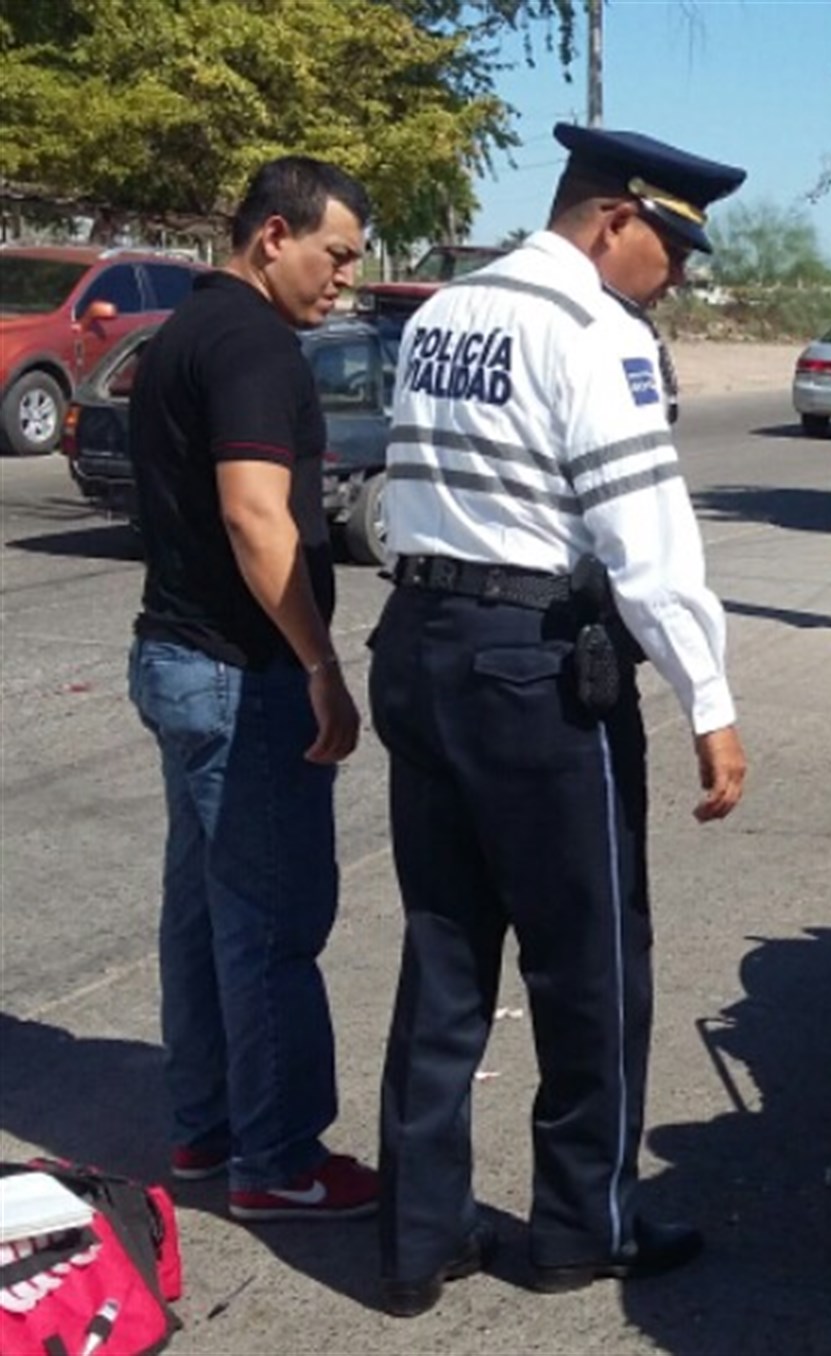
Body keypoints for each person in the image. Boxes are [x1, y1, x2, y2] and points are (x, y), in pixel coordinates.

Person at [370, 123, 749, 1317]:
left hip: (419, 648)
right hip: (534, 673)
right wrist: (712, 702)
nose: (676, 277)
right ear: (611, 221)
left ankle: (418, 1233)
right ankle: (587, 1225)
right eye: (671, 249)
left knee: (444, 948)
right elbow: (646, 543)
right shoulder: (597, 333)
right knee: (592, 960)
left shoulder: (442, 314)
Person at [125, 157, 377, 1222]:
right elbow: (254, 515)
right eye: (336, 255)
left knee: (203, 910)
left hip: (177, 660)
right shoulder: (254, 345)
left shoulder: (182, 331)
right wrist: (321, 667)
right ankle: (276, 1158)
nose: (345, 282)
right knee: (271, 921)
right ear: (273, 235)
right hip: (239, 674)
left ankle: (206, 1124)